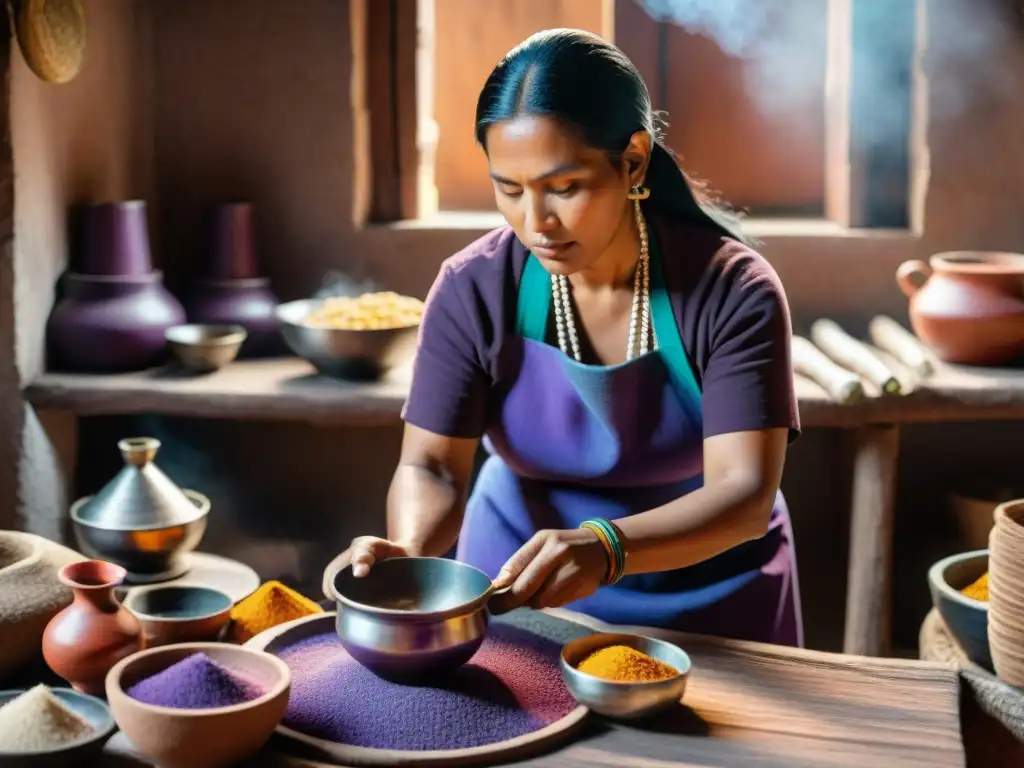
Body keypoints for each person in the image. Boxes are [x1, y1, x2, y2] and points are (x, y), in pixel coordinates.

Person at [323, 28, 803, 646]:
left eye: (564, 187)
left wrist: (607, 547)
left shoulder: (732, 290)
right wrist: (408, 550)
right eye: (510, 189)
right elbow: (433, 466)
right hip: (517, 583)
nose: (535, 222)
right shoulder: (475, 287)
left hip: (712, 589)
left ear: (632, 160)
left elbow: (743, 494)